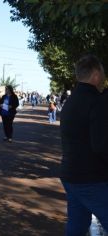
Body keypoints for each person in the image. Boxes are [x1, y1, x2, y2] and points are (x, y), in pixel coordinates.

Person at [60, 54, 108, 235]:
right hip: (92, 177)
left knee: (77, 224)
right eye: (102, 72)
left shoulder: (71, 101)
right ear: (96, 74)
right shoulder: (98, 101)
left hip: (71, 174)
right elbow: (101, 144)